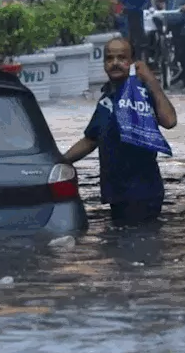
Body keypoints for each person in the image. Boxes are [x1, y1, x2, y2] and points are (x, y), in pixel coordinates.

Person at [63, 37, 178, 226]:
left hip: (143, 192)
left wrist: (151, 81)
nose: (115, 63)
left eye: (122, 58)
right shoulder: (107, 97)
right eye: (109, 58)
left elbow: (170, 121)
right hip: (116, 192)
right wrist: (60, 161)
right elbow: (91, 140)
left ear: (132, 62)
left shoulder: (141, 93)